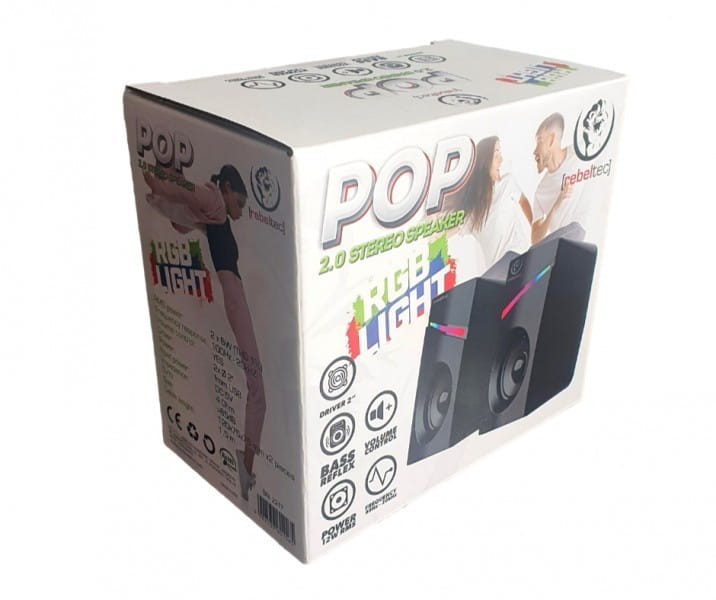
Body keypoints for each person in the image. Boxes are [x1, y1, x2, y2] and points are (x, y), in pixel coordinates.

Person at [143, 164, 266, 502]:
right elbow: (187, 192)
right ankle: (245, 467)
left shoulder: (214, 214)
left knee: (257, 386)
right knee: (257, 388)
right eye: (239, 202)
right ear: (225, 188)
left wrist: (165, 185)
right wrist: (160, 180)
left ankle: (246, 465)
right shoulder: (214, 202)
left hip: (236, 298)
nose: (240, 212)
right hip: (235, 299)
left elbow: (182, 218)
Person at [452, 136, 532, 269]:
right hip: (497, 270)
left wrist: (534, 231)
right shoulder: (474, 210)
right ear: (484, 162)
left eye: (500, 154)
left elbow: (523, 201)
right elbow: (450, 230)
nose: (501, 159)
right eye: (496, 155)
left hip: (518, 256)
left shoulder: (507, 183)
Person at [531, 113, 588, 242]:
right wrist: (556, 205)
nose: (534, 151)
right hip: (562, 245)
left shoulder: (581, 154)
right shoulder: (540, 191)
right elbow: (535, 239)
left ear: (551, 140)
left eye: (539, 141)